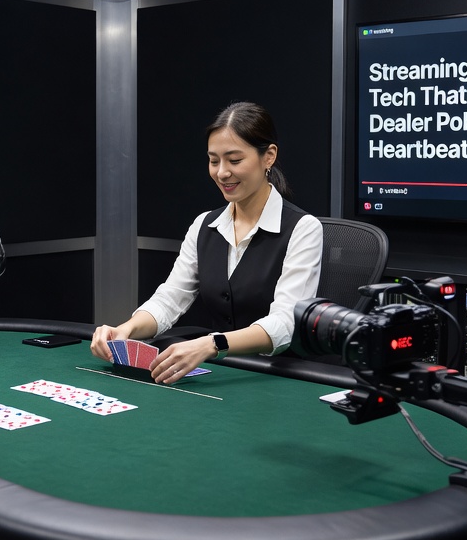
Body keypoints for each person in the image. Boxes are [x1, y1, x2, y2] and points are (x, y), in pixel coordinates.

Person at [91, 101, 324, 384]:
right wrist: (125, 330)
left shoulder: (303, 228)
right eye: (214, 161)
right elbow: (169, 299)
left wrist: (211, 344)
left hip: (279, 377)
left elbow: (285, 323)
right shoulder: (204, 224)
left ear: (269, 156)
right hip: (223, 374)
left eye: (234, 160)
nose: (222, 172)